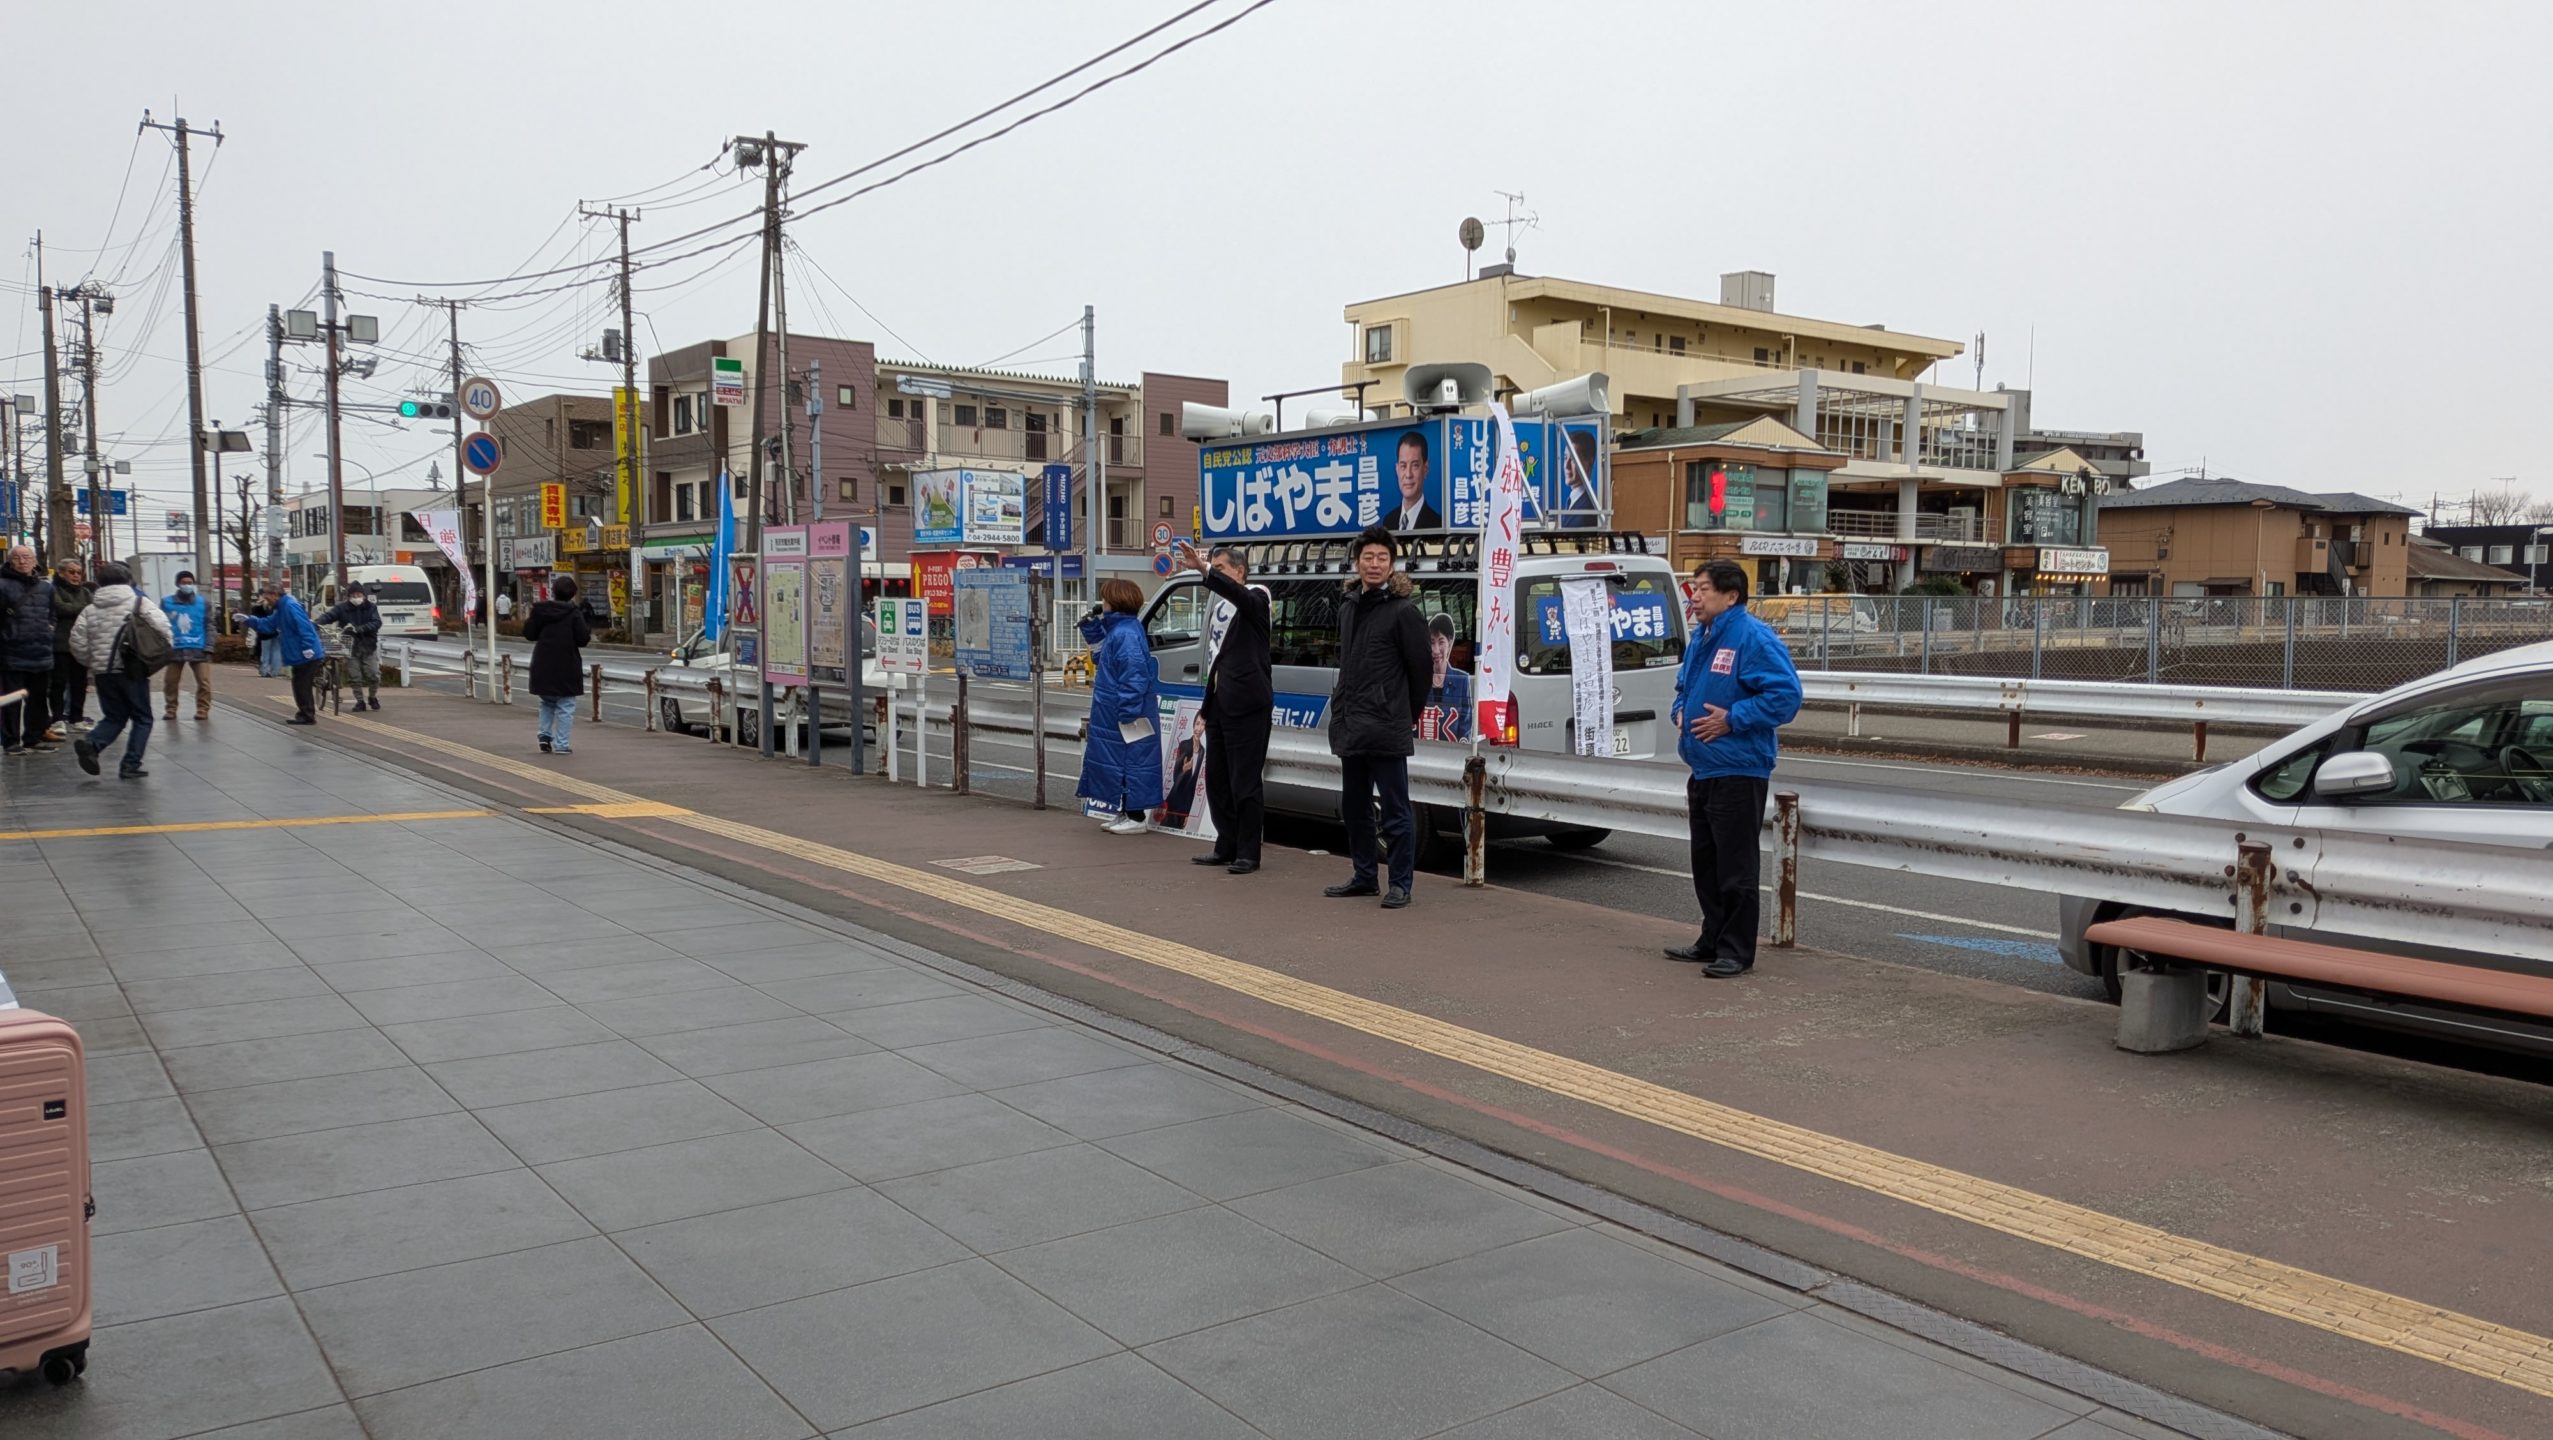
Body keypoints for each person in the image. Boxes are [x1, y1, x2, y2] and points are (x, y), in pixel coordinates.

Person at [1666, 559, 1802, 979]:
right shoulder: (1702, 637)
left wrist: (1733, 718)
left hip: (1740, 768)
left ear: (1731, 595)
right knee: (1705, 863)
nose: (1696, 595)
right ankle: (1712, 937)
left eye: (1703, 588)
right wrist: (1679, 711)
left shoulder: (1753, 638)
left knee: (1735, 866)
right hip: (1704, 768)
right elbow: (1684, 688)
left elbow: (1786, 697)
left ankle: (1737, 949)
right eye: (1694, 587)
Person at [1324, 526, 1431, 909]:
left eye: (1382, 558)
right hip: (1352, 723)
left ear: (1392, 564)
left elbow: (1421, 671)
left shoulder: (1404, 611)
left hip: (1386, 725)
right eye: (1368, 557)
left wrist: (1406, 715)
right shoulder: (1349, 605)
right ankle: (1365, 876)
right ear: (1357, 561)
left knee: (1396, 809)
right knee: (1354, 807)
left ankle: (1400, 882)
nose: (1374, 564)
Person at [1175, 540, 1270, 873]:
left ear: (1240, 571)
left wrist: (1204, 571)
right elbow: (1216, 660)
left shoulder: (1258, 596)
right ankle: (1225, 845)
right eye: (1213, 568)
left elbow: (1241, 596)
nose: (1216, 575)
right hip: (1220, 702)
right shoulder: (1218, 607)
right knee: (1218, 780)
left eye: (1222, 569)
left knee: (1245, 782)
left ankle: (1248, 852)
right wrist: (1205, 708)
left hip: (1248, 704)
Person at [68, 561, 172, 780]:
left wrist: (94, 661)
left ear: (100, 582)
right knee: (142, 718)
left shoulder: (89, 609)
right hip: (132, 669)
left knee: (115, 716)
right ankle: (130, 764)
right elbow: (163, 630)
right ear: (128, 580)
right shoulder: (140, 603)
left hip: (103, 673)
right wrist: (151, 658)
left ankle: (92, 744)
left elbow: (77, 643)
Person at [1075, 578, 1163, 834]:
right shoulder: (1121, 630)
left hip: (1123, 713)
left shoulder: (1125, 633)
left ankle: (1135, 817)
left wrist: (1128, 712)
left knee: (1130, 762)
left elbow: (1133, 676)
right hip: (1114, 710)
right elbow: (1103, 657)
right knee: (1120, 763)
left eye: (1105, 599)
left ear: (1115, 601)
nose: (1102, 603)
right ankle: (1125, 812)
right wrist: (1092, 629)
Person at [239, 584, 329, 724]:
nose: (266, 600)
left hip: (306, 654)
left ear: (275, 595)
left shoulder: (290, 606)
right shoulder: (282, 608)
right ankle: (305, 714)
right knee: (300, 684)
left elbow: (304, 627)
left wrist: (307, 647)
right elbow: (268, 625)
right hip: (301, 653)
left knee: (301, 684)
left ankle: (307, 715)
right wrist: (249, 620)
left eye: (267, 597)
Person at [521, 574, 591, 754]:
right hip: (567, 663)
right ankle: (562, 744)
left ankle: (544, 736)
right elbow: (583, 639)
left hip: (543, 662)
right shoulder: (574, 613)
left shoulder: (540, 611)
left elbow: (529, 633)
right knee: (566, 705)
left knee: (547, 701)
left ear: (553, 592)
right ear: (572, 594)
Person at [0, 545, 58, 754]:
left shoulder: (46, 588)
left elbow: (52, 615)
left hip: (41, 652)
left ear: (34, 560)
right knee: (12, 700)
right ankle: (10, 741)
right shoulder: (3, 585)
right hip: (12, 653)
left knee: (38, 700)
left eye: (26, 557)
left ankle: (33, 737)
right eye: (17, 558)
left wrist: (49, 630)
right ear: (10, 561)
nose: (22, 562)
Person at [314, 583, 384, 711]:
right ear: (348, 596)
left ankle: (372, 697)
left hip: (368, 645)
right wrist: (317, 623)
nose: (356, 597)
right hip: (349, 645)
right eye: (353, 595)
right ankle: (360, 701)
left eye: (359, 595)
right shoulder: (342, 608)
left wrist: (359, 629)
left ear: (363, 595)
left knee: (373, 674)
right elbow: (329, 616)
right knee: (355, 676)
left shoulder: (371, 608)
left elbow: (376, 622)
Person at [46, 559, 93, 741]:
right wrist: (82, 609)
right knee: (58, 684)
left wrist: (79, 609)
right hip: (60, 644)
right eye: (71, 572)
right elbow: (61, 608)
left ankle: (77, 718)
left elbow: (90, 610)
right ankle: (57, 718)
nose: (75, 576)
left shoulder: (85, 591)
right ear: (61, 573)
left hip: (80, 645)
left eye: (78, 572)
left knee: (80, 683)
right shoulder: (53, 590)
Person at [160, 570, 215, 721]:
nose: (187, 585)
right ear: (178, 584)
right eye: (184, 582)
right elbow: (161, 625)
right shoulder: (166, 603)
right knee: (170, 682)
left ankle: (203, 709)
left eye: (190, 583)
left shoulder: (203, 603)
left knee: (204, 682)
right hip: (175, 648)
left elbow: (210, 625)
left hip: (199, 647)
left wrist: (209, 646)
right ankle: (171, 709)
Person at [1388, 431, 1442, 532]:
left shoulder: (1437, 524)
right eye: (1403, 466)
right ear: (1397, 469)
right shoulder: (1388, 522)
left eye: (1415, 465)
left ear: (1425, 469)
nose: (1408, 474)